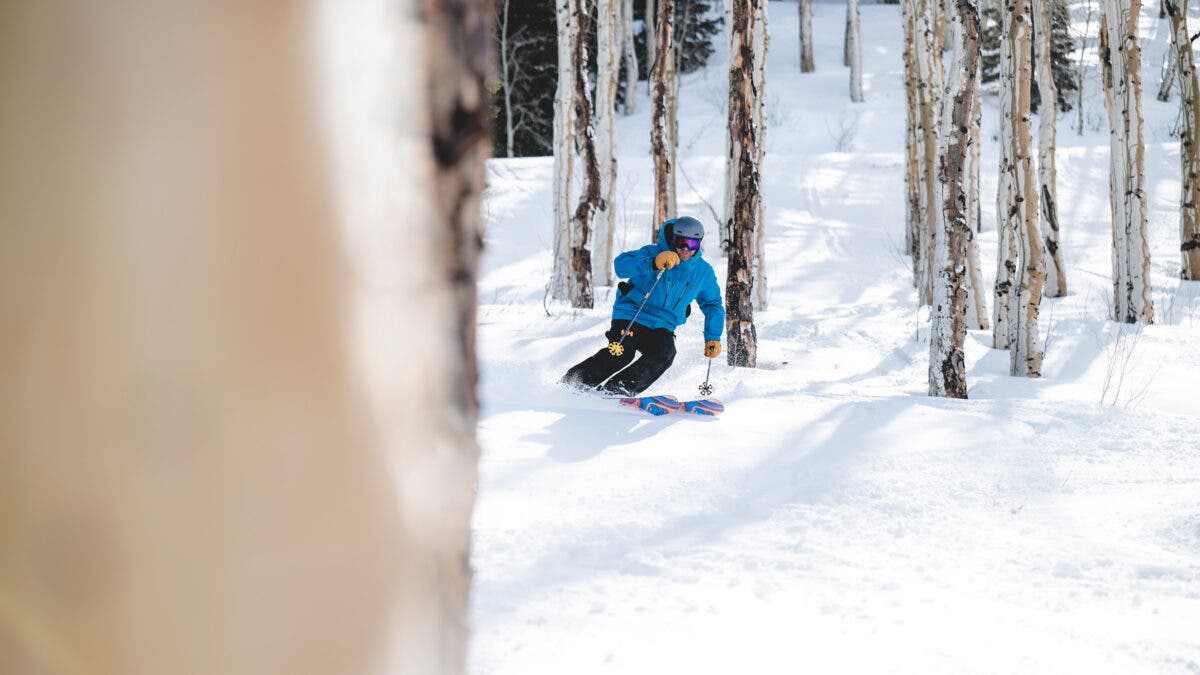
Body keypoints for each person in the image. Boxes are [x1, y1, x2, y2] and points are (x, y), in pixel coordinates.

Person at [562, 216, 725, 396]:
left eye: (692, 244)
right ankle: (571, 384)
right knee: (621, 354)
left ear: (698, 244)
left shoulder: (703, 272)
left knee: (664, 353)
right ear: (673, 239)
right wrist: (652, 263)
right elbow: (620, 266)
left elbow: (713, 304)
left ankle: (617, 390)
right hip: (632, 313)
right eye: (681, 242)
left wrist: (713, 336)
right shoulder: (652, 253)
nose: (685, 248)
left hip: (663, 325)